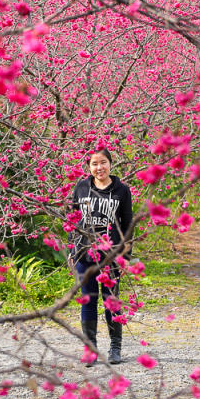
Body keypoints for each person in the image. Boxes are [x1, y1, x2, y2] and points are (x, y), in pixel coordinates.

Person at [69, 149, 133, 365]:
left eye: (103, 162)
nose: (99, 168)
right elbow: (72, 220)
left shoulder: (122, 190)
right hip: (84, 254)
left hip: (111, 255)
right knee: (88, 301)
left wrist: (125, 255)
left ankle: (115, 347)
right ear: (89, 166)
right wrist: (72, 251)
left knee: (110, 301)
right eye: (94, 164)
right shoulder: (81, 187)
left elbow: (128, 224)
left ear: (110, 164)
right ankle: (90, 348)